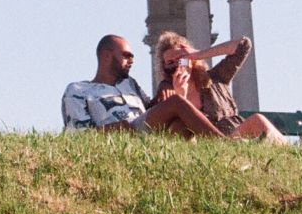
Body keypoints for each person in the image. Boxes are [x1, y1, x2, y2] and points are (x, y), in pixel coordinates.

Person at [61, 34, 223, 137]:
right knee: (176, 103)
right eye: (126, 56)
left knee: (180, 126)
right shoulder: (78, 90)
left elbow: (153, 109)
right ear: (106, 56)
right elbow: (78, 135)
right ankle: (224, 145)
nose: (132, 61)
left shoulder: (129, 84)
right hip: (122, 133)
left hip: (145, 130)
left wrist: (165, 86)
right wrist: (118, 128)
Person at [152, 31, 289, 145]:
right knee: (257, 120)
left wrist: (199, 54)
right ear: (164, 68)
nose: (177, 65)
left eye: (181, 59)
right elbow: (177, 132)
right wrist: (181, 95)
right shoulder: (167, 92)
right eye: (170, 63)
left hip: (239, 135)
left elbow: (243, 45)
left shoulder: (215, 78)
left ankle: (290, 155)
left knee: (258, 121)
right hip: (211, 146)